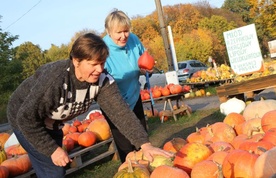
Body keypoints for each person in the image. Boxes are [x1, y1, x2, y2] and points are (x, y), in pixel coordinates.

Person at [7, 33, 173, 178]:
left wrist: (146, 145)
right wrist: (52, 150)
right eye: (93, 64)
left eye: (102, 63)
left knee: (58, 168)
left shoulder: (102, 81)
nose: (99, 69)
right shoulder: (55, 80)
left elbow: (121, 113)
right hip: (25, 119)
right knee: (52, 171)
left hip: (51, 123)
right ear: (76, 61)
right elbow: (26, 118)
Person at [102, 9, 153, 162]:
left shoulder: (134, 40)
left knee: (141, 140)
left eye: (126, 31)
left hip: (134, 96)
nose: (124, 36)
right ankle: (130, 169)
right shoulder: (102, 50)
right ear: (109, 31)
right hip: (115, 104)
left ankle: (146, 169)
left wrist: (146, 69)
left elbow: (145, 61)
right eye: (119, 32)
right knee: (126, 147)